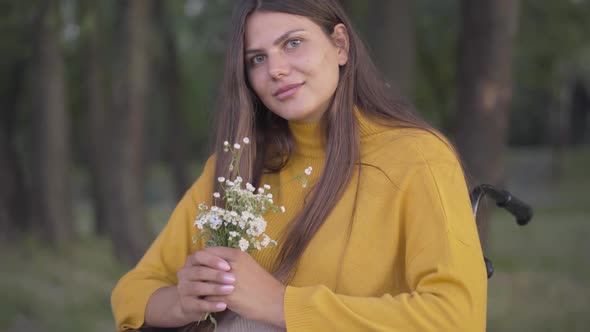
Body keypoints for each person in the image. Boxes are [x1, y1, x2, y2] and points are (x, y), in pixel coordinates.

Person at [111, 0, 487, 331]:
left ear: (340, 45)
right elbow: (133, 290)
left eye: (292, 43)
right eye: (257, 58)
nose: (276, 69)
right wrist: (182, 301)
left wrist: (280, 305)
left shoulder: (417, 157)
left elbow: (457, 318)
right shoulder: (235, 168)